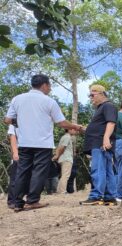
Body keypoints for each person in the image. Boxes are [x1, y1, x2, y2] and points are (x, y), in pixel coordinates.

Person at [3, 74, 83, 211]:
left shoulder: (17, 99)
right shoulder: (49, 102)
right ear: (45, 85)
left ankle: (17, 202)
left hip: (24, 142)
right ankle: (32, 201)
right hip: (42, 144)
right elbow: (61, 123)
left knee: (22, 171)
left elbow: (7, 120)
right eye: (50, 86)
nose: (50, 89)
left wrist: (22, 121)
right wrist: (75, 126)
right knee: (39, 172)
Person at [80, 84, 119, 206]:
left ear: (101, 94)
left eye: (92, 95)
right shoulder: (101, 108)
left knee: (98, 169)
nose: (90, 98)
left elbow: (111, 123)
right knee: (106, 170)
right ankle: (109, 197)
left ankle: (96, 196)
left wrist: (106, 138)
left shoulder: (108, 106)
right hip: (100, 142)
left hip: (100, 143)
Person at [53, 129, 77, 194]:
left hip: (63, 158)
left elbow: (59, 148)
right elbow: (62, 148)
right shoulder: (67, 137)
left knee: (64, 175)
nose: (75, 131)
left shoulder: (64, 137)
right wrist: (57, 156)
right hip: (66, 158)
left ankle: (59, 190)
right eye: (74, 129)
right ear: (69, 130)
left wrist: (57, 156)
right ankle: (62, 191)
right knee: (66, 175)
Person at [6, 126, 18, 209]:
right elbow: (11, 137)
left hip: (28, 152)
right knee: (14, 178)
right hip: (17, 153)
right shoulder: (13, 124)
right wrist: (15, 153)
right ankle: (12, 201)